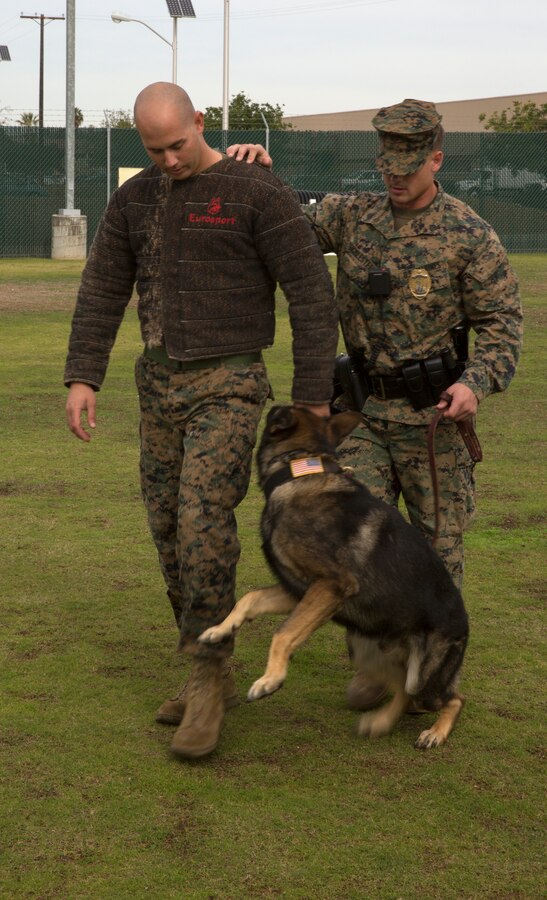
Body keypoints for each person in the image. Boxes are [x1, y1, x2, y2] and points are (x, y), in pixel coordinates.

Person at [64, 82, 338, 759]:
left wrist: (312, 396)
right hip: (158, 385)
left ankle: (210, 678)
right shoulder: (133, 200)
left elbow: (309, 293)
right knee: (166, 528)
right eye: (153, 149)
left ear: (200, 122)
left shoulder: (256, 194)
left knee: (201, 520)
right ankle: (198, 656)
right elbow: (102, 287)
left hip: (231, 382)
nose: (167, 160)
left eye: (177, 144)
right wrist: (82, 376)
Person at [228, 98, 523, 710]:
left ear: (435, 159)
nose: (393, 176)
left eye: (407, 166)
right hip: (360, 417)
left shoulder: (470, 235)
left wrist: (476, 382)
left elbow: (501, 324)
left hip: (434, 421)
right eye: (386, 163)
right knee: (349, 546)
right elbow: (283, 217)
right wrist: (260, 168)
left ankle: (432, 668)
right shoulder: (351, 216)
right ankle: (371, 665)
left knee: (436, 551)